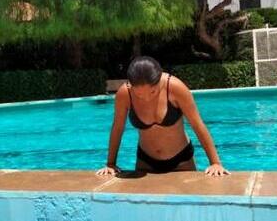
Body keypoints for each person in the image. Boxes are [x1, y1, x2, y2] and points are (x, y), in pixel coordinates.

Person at [97, 56, 228, 177]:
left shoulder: (175, 88)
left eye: (153, 92)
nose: (147, 98)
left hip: (181, 160)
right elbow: (118, 128)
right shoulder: (125, 94)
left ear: (160, 80)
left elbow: (197, 124)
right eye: (139, 95)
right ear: (130, 85)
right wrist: (110, 163)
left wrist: (215, 162)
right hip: (145, 161)